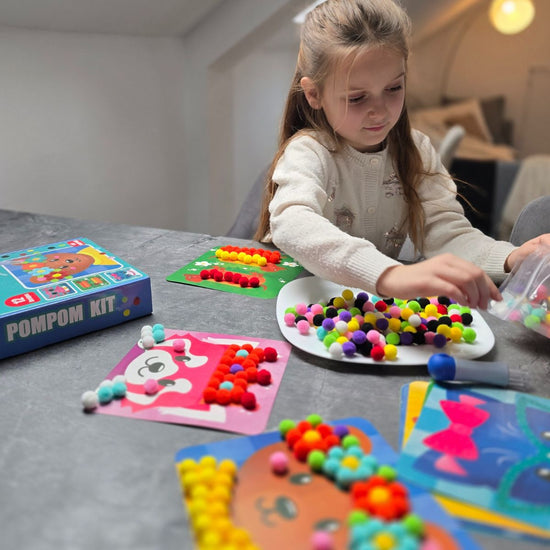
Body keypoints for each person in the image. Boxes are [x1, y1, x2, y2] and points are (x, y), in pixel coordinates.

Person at [254, 0, 550, 310]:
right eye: (357, 98)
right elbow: (293, 222)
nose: (380, 110)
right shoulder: (309, 151)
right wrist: (390, 275)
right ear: (314, 94)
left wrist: (510, 258)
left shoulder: (417, 151)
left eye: (394, 88)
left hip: (362, 317)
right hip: (296, 308)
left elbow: (447, 233)